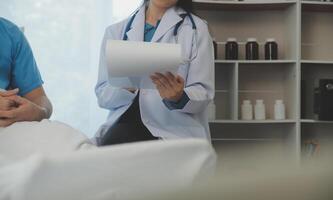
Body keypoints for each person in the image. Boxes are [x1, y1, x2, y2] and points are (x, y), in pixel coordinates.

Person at [95, 0, 214, 145]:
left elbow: (204, 92)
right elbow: (102, 95)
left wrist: (179, 97)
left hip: (173, 129)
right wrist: (126, 86)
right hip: (123, 127)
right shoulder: (115, 32)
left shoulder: (196, 30)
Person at [0, 18, 52, 127]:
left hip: (9, 128)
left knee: (64, 138)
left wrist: (40, 112)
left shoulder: (11, 34)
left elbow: (39, 98)